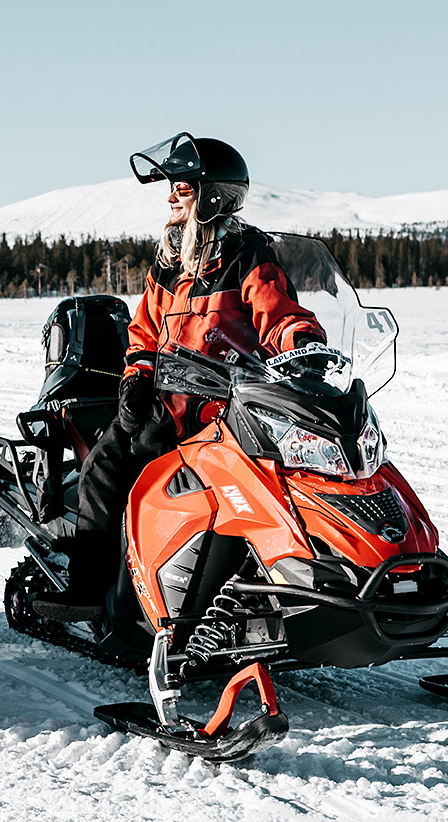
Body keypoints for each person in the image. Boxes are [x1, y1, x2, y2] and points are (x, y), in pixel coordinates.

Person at [33, 136, 327, 622]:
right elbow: (144, 331)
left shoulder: (247, 256)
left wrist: (306, 350)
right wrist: (135, 378)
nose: (171, 197)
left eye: (182, 188)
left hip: (227, 412)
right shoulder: (169, 261)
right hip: (166, 408)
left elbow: (281, 316)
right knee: (104, 467)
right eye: (171, 187)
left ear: (213, 197)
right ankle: (91, 588)